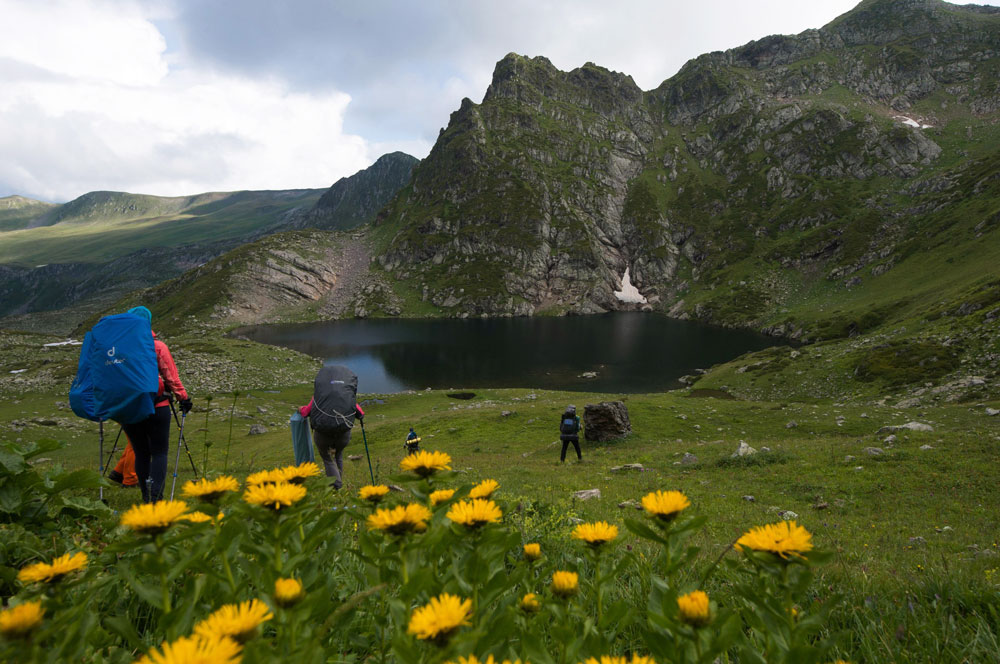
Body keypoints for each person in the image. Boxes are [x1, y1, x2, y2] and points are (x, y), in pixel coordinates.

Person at [121, 306, 192, 503]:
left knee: (141, 452)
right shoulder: (157, 346)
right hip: (157, 406)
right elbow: (171, 377)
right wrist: (183, 398)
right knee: (159, 452)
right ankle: (156, 498)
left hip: (128, 408)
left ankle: (146, 496)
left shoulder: (118, 348)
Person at [298, 391, 364, 491]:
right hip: (343, 433)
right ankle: (338, 483)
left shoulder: (318, 395)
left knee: (327, 458)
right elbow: (360, 413)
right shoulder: (346, 394)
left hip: (323, 434)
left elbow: (305, 412)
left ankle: (336, 486)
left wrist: (300, 409)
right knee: (338, 455)